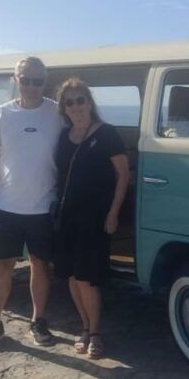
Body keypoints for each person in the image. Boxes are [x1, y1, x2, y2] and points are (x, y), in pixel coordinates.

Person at [0, 57, 66, 353]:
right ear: (15, 79)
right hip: (6, 206)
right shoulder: (0, 114)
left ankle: (38, 321)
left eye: (37, 81)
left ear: (45, 82)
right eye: (25, 79)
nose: (31, 86)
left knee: (41, 265)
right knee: (2, 266)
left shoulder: (56, 112)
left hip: (43, 206)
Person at [54, 77, 129, 359]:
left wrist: (113, 213)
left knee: (87, 278)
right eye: (69, 102)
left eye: (80, 100)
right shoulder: (63, 137)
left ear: (89, 102)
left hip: (94, 217)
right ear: (64, 107)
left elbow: (123, 175)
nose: (76, 107)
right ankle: (84, 327)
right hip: (67, 216)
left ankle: (95, 331)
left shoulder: (107, 133)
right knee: (72, 276)